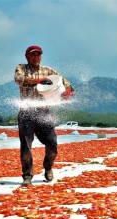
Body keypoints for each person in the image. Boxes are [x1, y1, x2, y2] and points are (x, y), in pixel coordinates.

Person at [14, 45, 74, 186]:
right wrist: (39, 81)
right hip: (27, 112)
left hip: (44, 112)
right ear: (27, 56)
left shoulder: (48, 71)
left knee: (52, 144)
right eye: (33, 54)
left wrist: (68, 92)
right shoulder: (21, 68)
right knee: (26, 145)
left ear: (41, 56)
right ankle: (27, 176)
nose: (36, 57)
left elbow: (66, 83)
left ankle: (48, 167)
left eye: (38, 54)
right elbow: (19, 79)